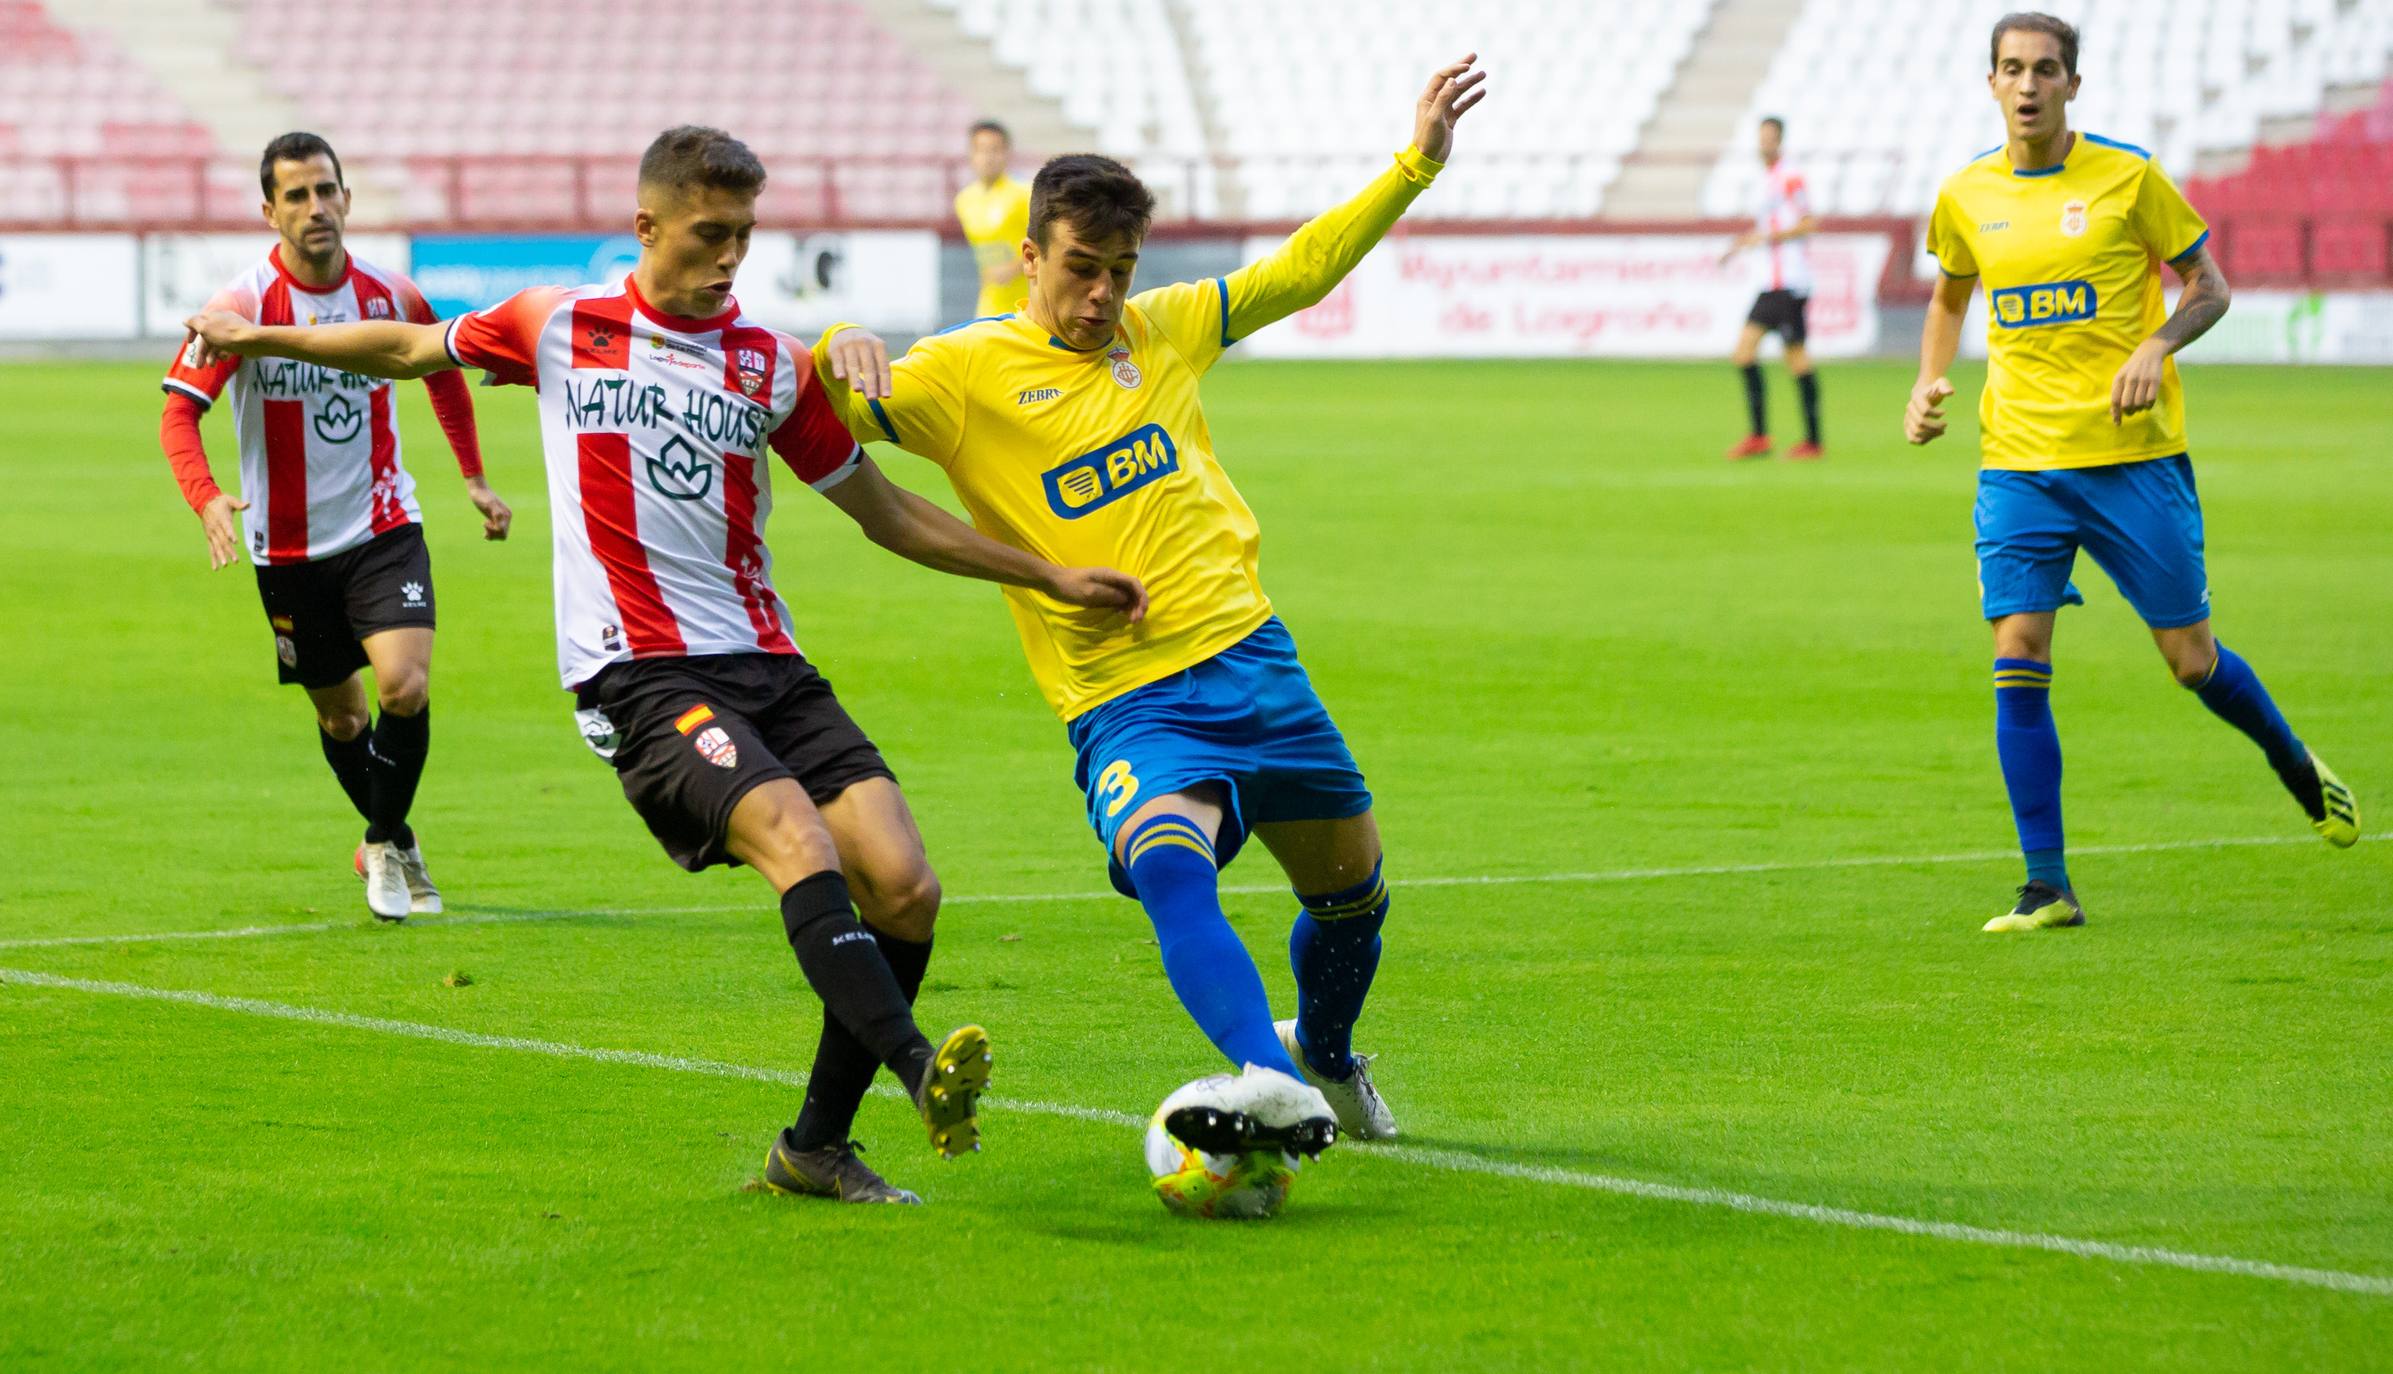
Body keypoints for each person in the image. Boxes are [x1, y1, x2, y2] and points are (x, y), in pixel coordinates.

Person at [183, 126, 1150, 1201]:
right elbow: (405, 350)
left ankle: (814, 1149)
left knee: (906, 886)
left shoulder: (770, 366)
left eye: (742, 234)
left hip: (768, 662)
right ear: (646, 227)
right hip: (636, 673)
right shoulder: (559, 326)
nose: (730, 254)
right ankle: (920, 1069)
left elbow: (887, 514)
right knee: (794, 838)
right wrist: (254, 340)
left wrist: (1045, 574)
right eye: (708, 233)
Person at [806, 57, 1489, 1143]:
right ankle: (1276, 1084)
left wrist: (1414, 165)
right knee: (1170, 862)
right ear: (1027, 255)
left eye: (1118, 269)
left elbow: (1298, 274)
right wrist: (834, 354)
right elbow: (806, 408)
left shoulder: (1162, 327)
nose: (1100, 294)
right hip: (1123, 695)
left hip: (1252, 658)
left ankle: (1319, 1050)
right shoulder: (964, 374)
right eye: (1080, 267)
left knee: (1351, 898)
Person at [1906, 12, 2358, 933]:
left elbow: (2210, 286)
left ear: (2073, 84)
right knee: (2017, 651)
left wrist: (2156, 343)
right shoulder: (1964, 196)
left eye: (2043, 70)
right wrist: (1926, 379)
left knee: (2189, 661)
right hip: (2019, 462)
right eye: (2010, 70)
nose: (2026, 86)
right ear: (1988, 83)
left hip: (2131, 461)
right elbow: (1951, 290)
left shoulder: (2127, 176)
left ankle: (2290, 760)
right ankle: (2046, 886)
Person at [161, 131, 511, 921]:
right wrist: (208, 495)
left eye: (326, 191)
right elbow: (179, 417)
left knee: (404, 685)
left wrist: (474, 478)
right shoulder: (240, 310)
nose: (315, 208)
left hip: (383, 524)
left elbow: (440, 374)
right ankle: (394, 838)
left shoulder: (393, 297)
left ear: (347, 199)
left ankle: (383, 842)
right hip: (285, 548)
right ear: (268, 211)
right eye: (296, 195)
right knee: (343, 716)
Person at [1720, 116, 1823, 460]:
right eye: (1760, 137)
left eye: (1769, 138)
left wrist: (1767, 237)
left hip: (1790, 282)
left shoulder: (1790, 177)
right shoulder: (1767, 179)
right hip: (1772, 284)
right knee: (1745, 352)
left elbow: (1808, 223)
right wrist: (1740, 245)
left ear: (1780, 141)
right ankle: (1761, 436)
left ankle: (1810, 440)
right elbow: (1768, 227)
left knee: (1795, 359)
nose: (1764, 143)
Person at [954, 119, 1032, 321]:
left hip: (1027, 305)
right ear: (971, 154)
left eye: (995, 150)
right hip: (988, 306)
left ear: (1007, 153)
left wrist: (1015, 267)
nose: (988, 157)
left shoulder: (1024, 194)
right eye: (981, 150)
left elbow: (1048, 242)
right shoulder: (964, 200)